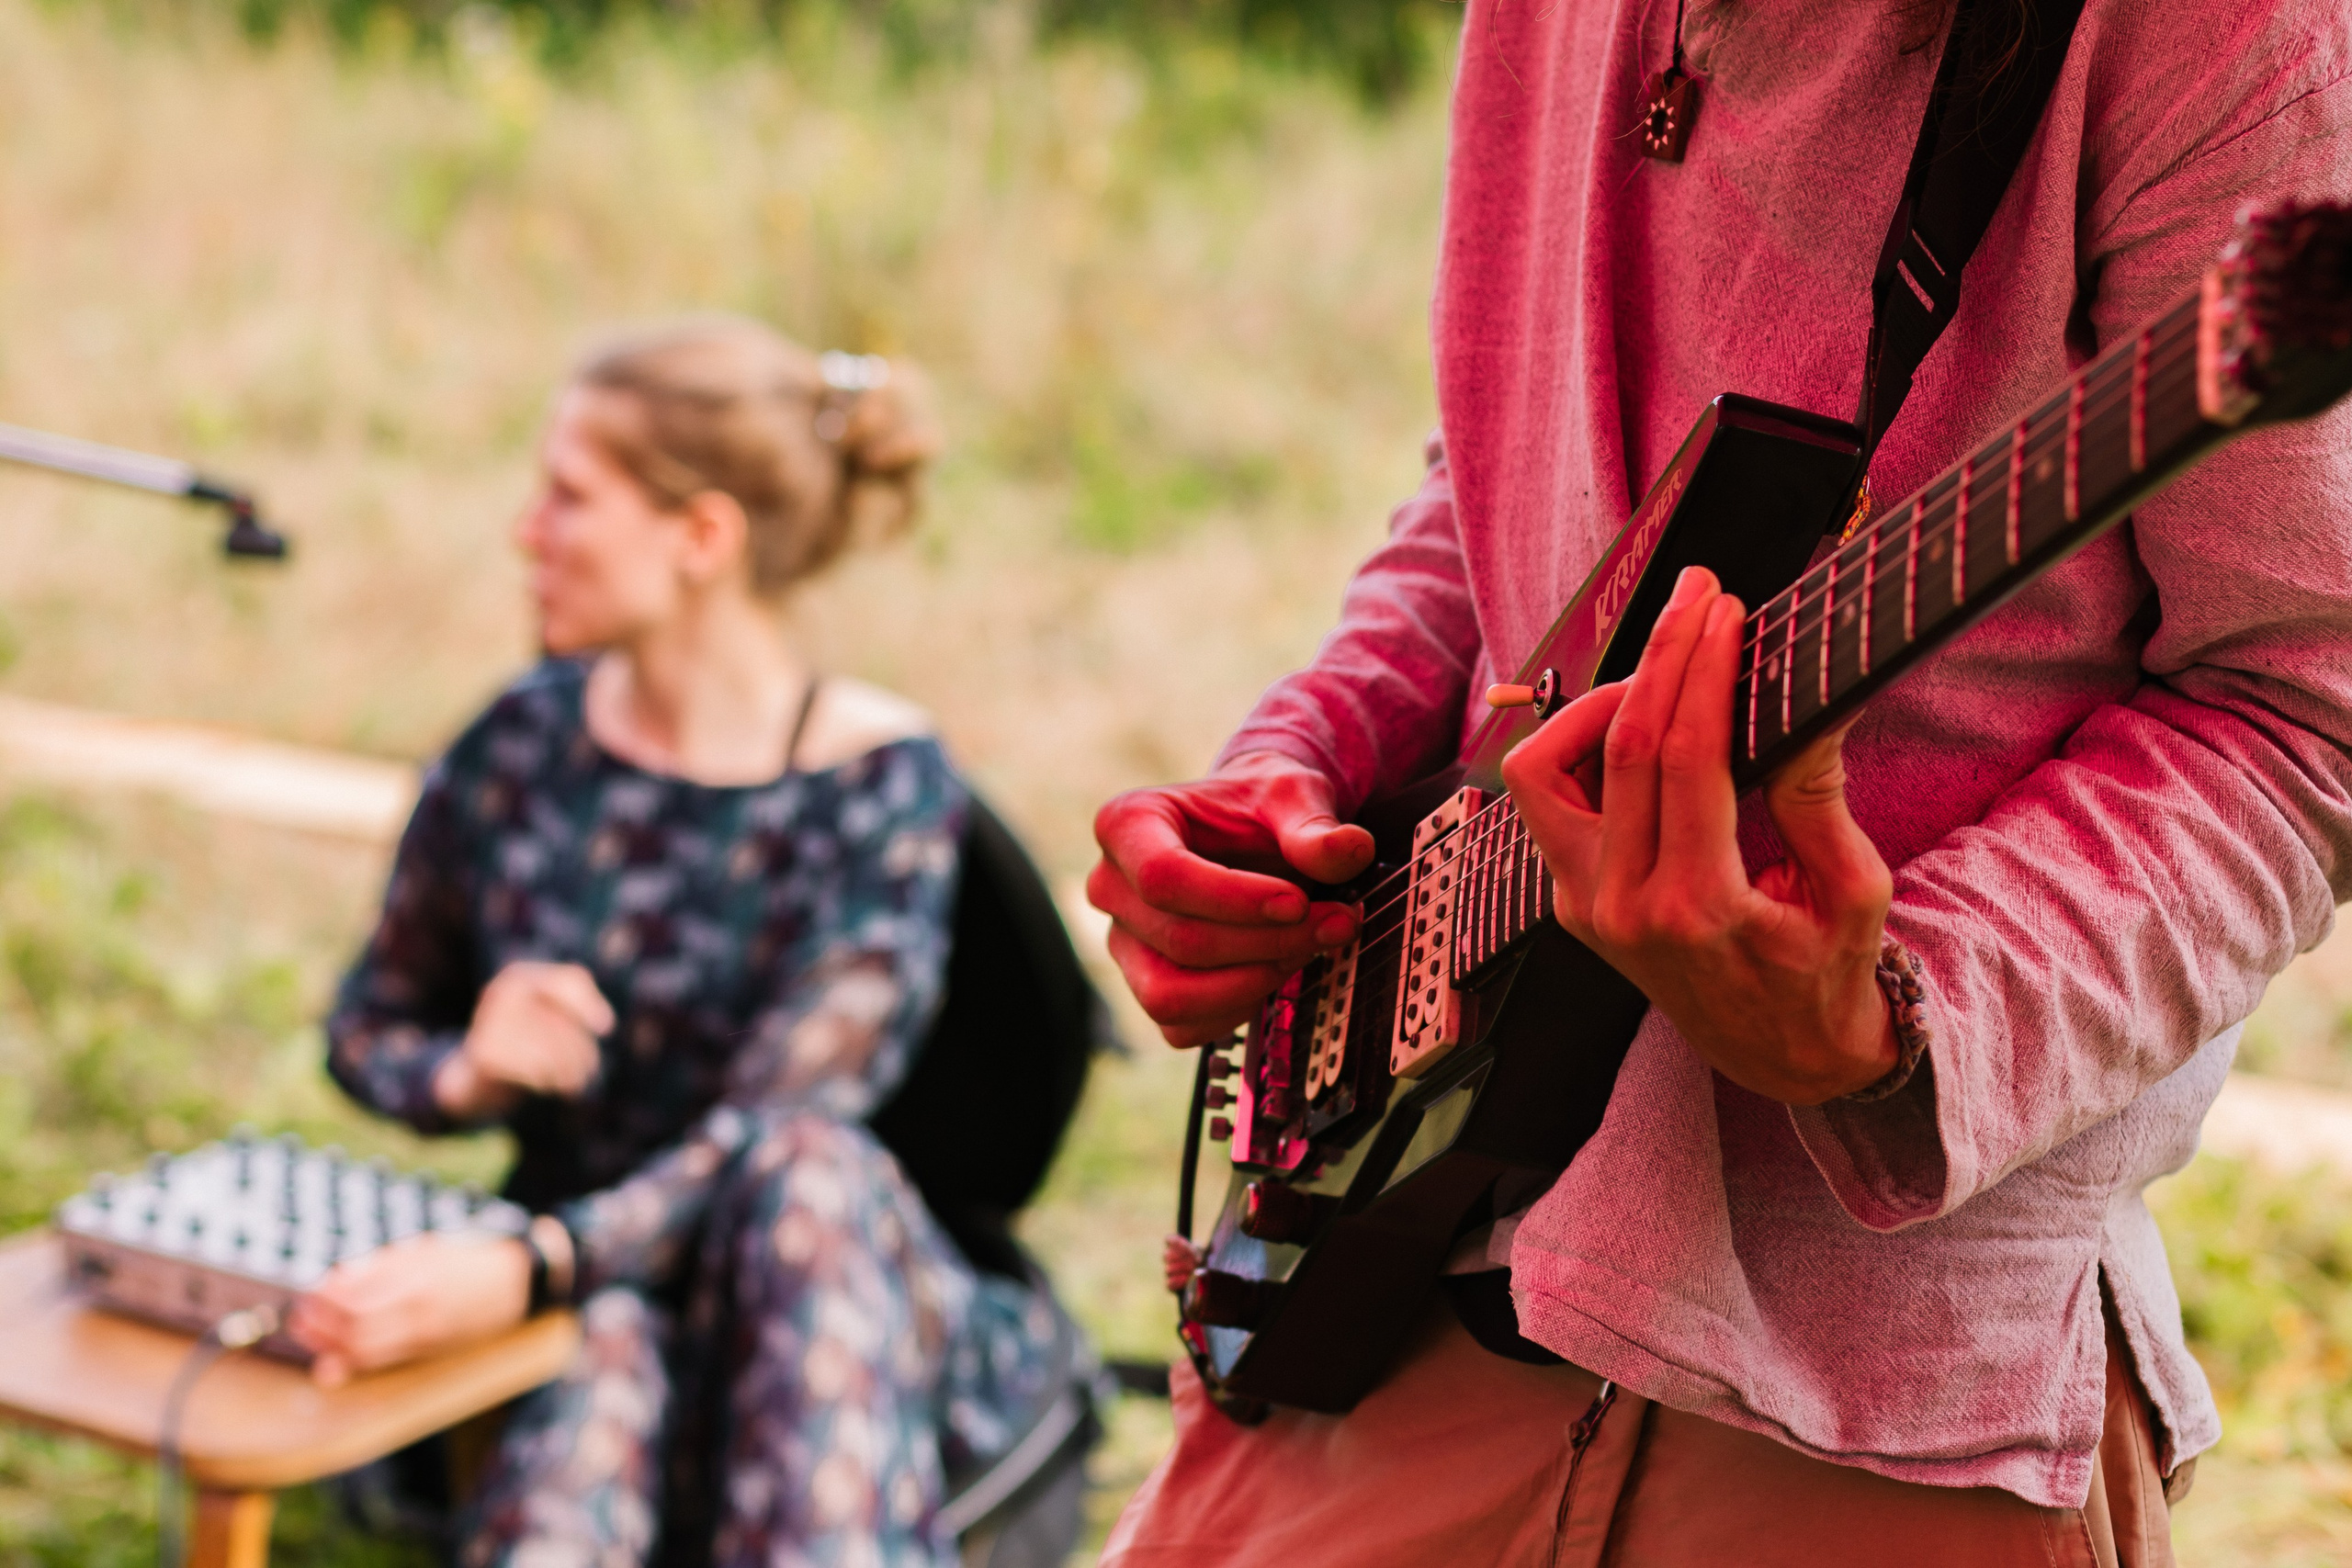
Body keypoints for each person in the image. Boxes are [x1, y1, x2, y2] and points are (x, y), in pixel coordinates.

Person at [1086, 0, 2352, 1562]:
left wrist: (1893, 1014)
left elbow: (2300, 701)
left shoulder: (2223, 36)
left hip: (1862, 1409)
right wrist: (1307, 767)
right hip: (1389, 1300)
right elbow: (1512, 466)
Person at [293, 318, 1060, 1567]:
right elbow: (367, 1023)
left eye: (568, 496)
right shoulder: (519, 747)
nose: (525, 532)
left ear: (702, 536)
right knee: (603, 1350)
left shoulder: (882, 785)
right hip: (598, 1291)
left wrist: (534, 1261)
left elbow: (775, 1132)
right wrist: (465, 1070)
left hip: (820, 1291)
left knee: (810, 1171)